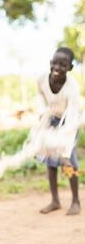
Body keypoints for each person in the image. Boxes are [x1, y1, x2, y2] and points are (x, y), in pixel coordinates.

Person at [37, 47, 82, 215]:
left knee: (69, 161)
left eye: (63, 64)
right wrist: (43, 116)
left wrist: (64, 154)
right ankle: (55, 201)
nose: (57, 67)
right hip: (52, 119)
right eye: (55, 63)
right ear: (50, 63)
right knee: (50, 162)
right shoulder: (41, 79)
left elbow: (70, 122)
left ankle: (76, 201)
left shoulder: (72, 88)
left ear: (70, 68)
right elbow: (41, 98)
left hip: (71, 121)